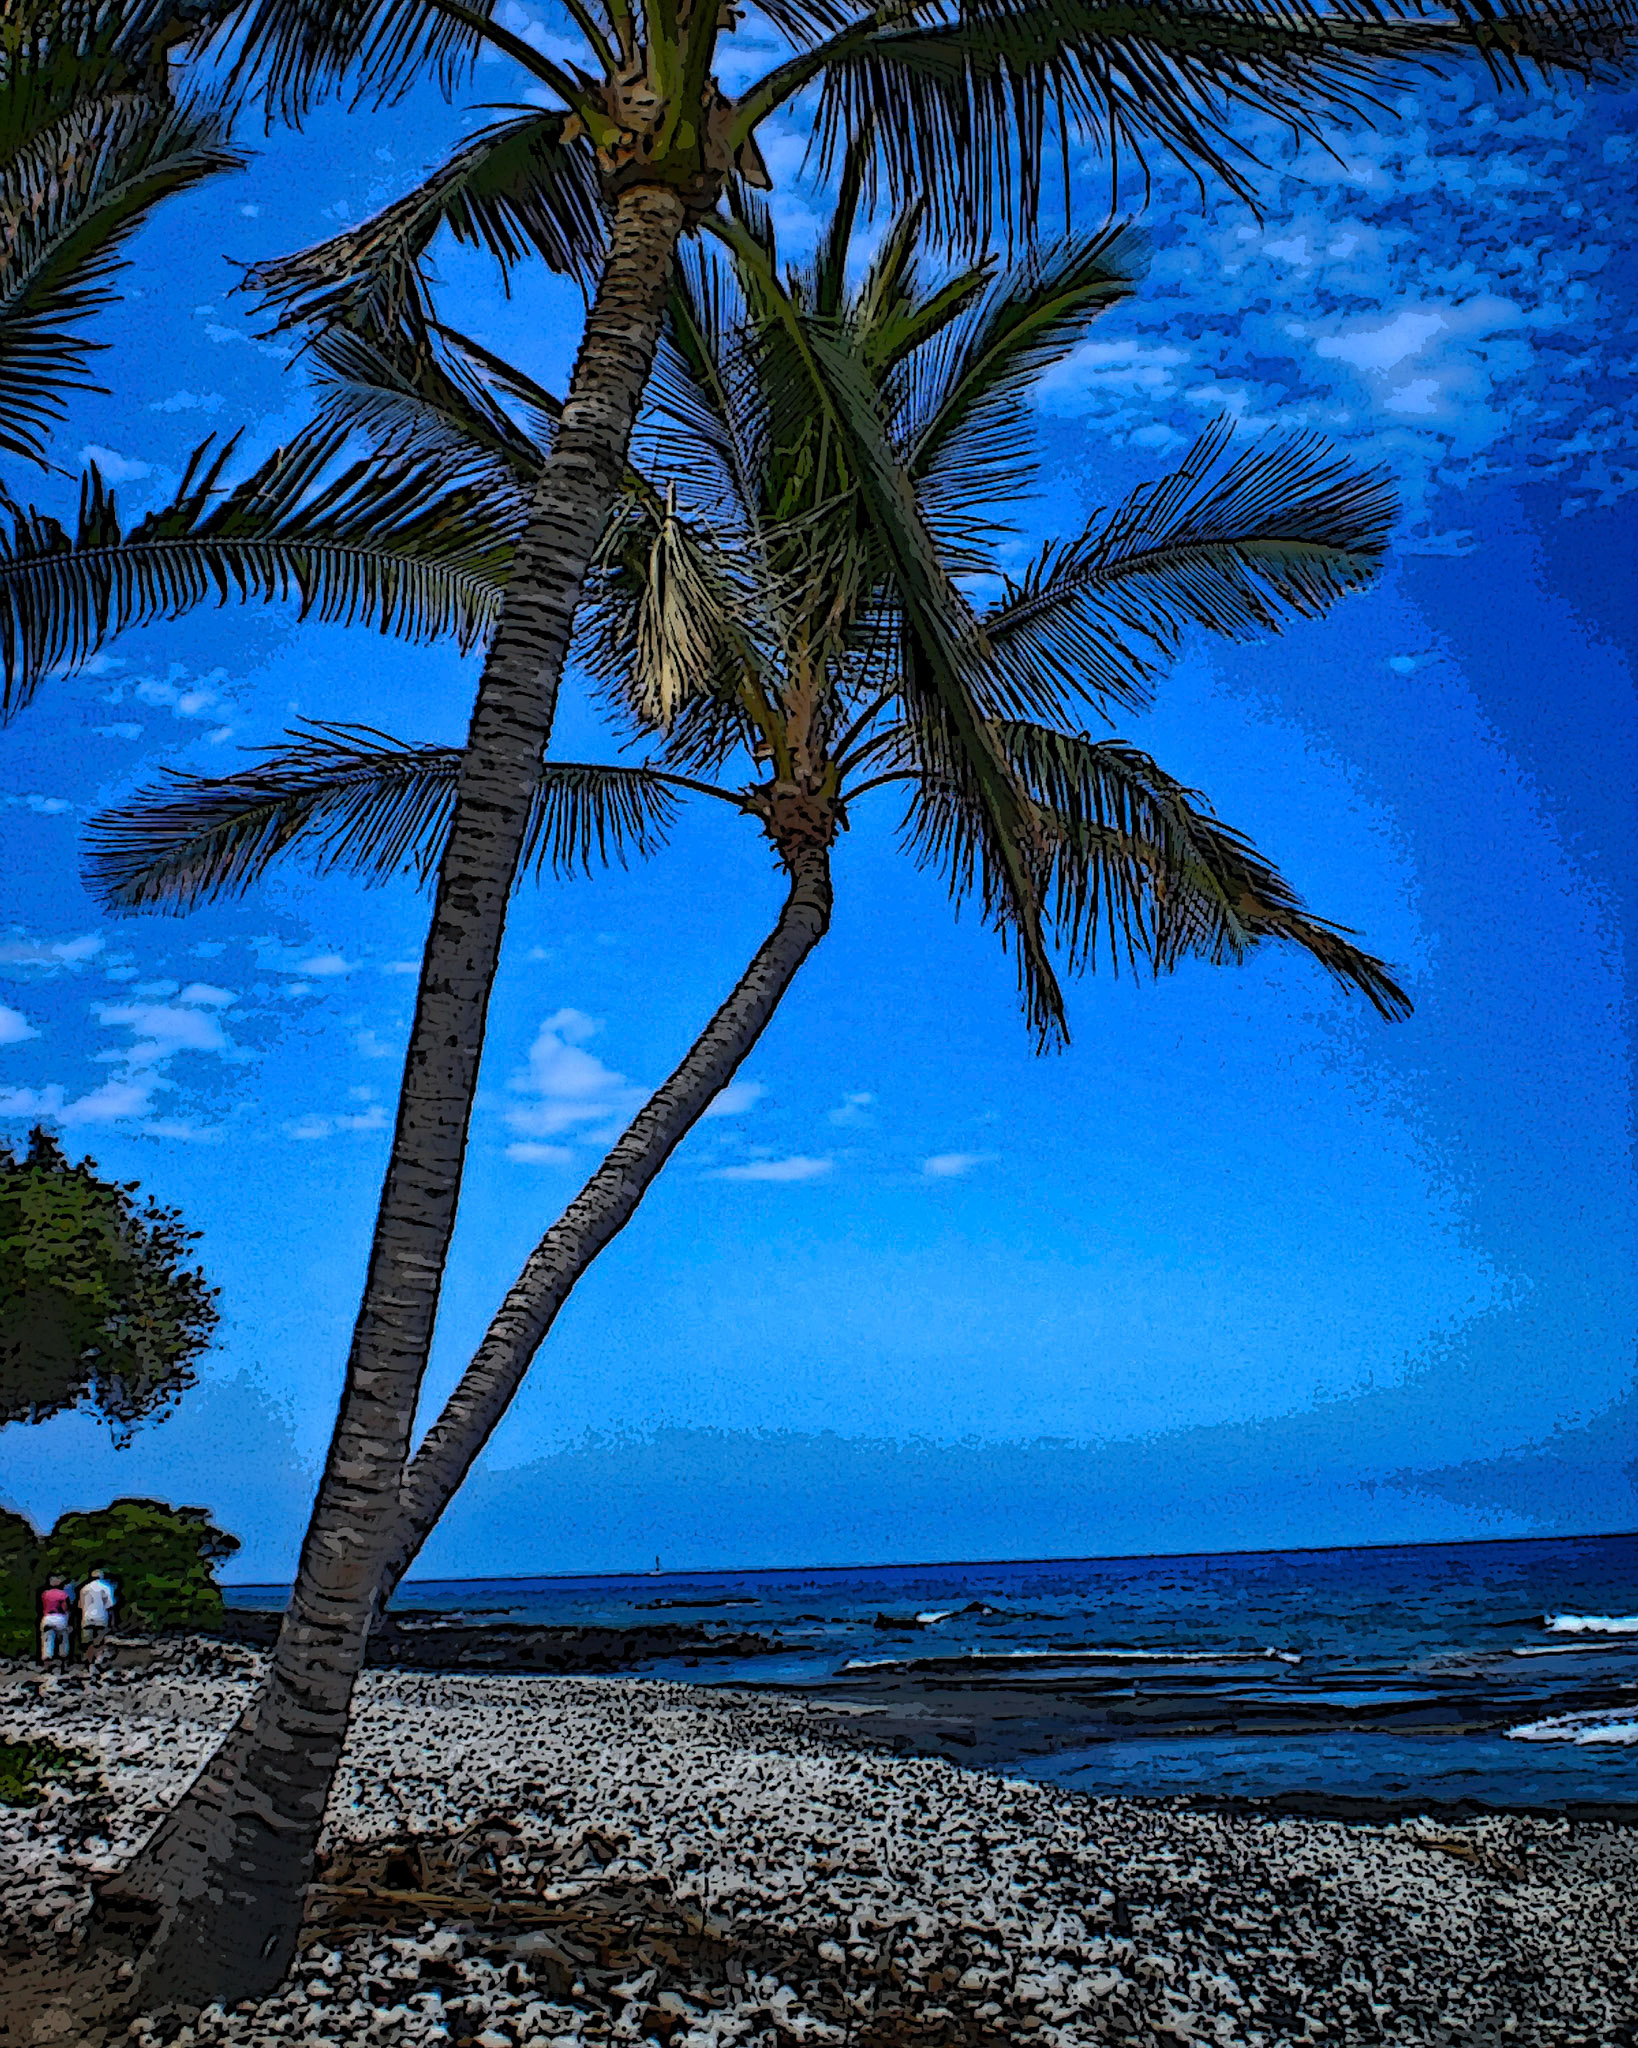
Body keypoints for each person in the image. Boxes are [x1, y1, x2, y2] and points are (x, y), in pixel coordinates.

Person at [78, 1567, 117, 1668]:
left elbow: (80, 1605)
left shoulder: (84, 1588)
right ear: (102, 1577)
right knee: (100, 1640)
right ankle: (98, 1660)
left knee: (88, 1641)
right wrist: (112, 1622)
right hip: (101, 1616)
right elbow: (110, 1605)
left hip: (87, 1617)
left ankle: (89, 1661)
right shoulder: (106, 1587)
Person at [38, 1577, 71, 1664]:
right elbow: (64, 1608)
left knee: (47, 1640)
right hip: (59, 1617)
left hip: (47, 1617)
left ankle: (47, 1660)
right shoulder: (63, 1594)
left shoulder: (45, 1594)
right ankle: (63, 1658)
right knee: (63, 1639)